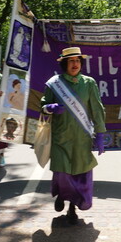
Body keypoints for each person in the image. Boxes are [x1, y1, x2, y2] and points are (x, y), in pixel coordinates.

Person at [41, 47, 106, 225]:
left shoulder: (89, 83)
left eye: (78, 60)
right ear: (64, 63)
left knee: (80, 176)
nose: (75, 64)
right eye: (71, 61)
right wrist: (50, 108)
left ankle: (72, 207)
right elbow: (43, 106)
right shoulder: (54, 83)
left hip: (82, 139)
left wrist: (100, 133)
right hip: (60, 138)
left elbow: (97, 110)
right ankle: (61, 195)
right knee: (62, 174)